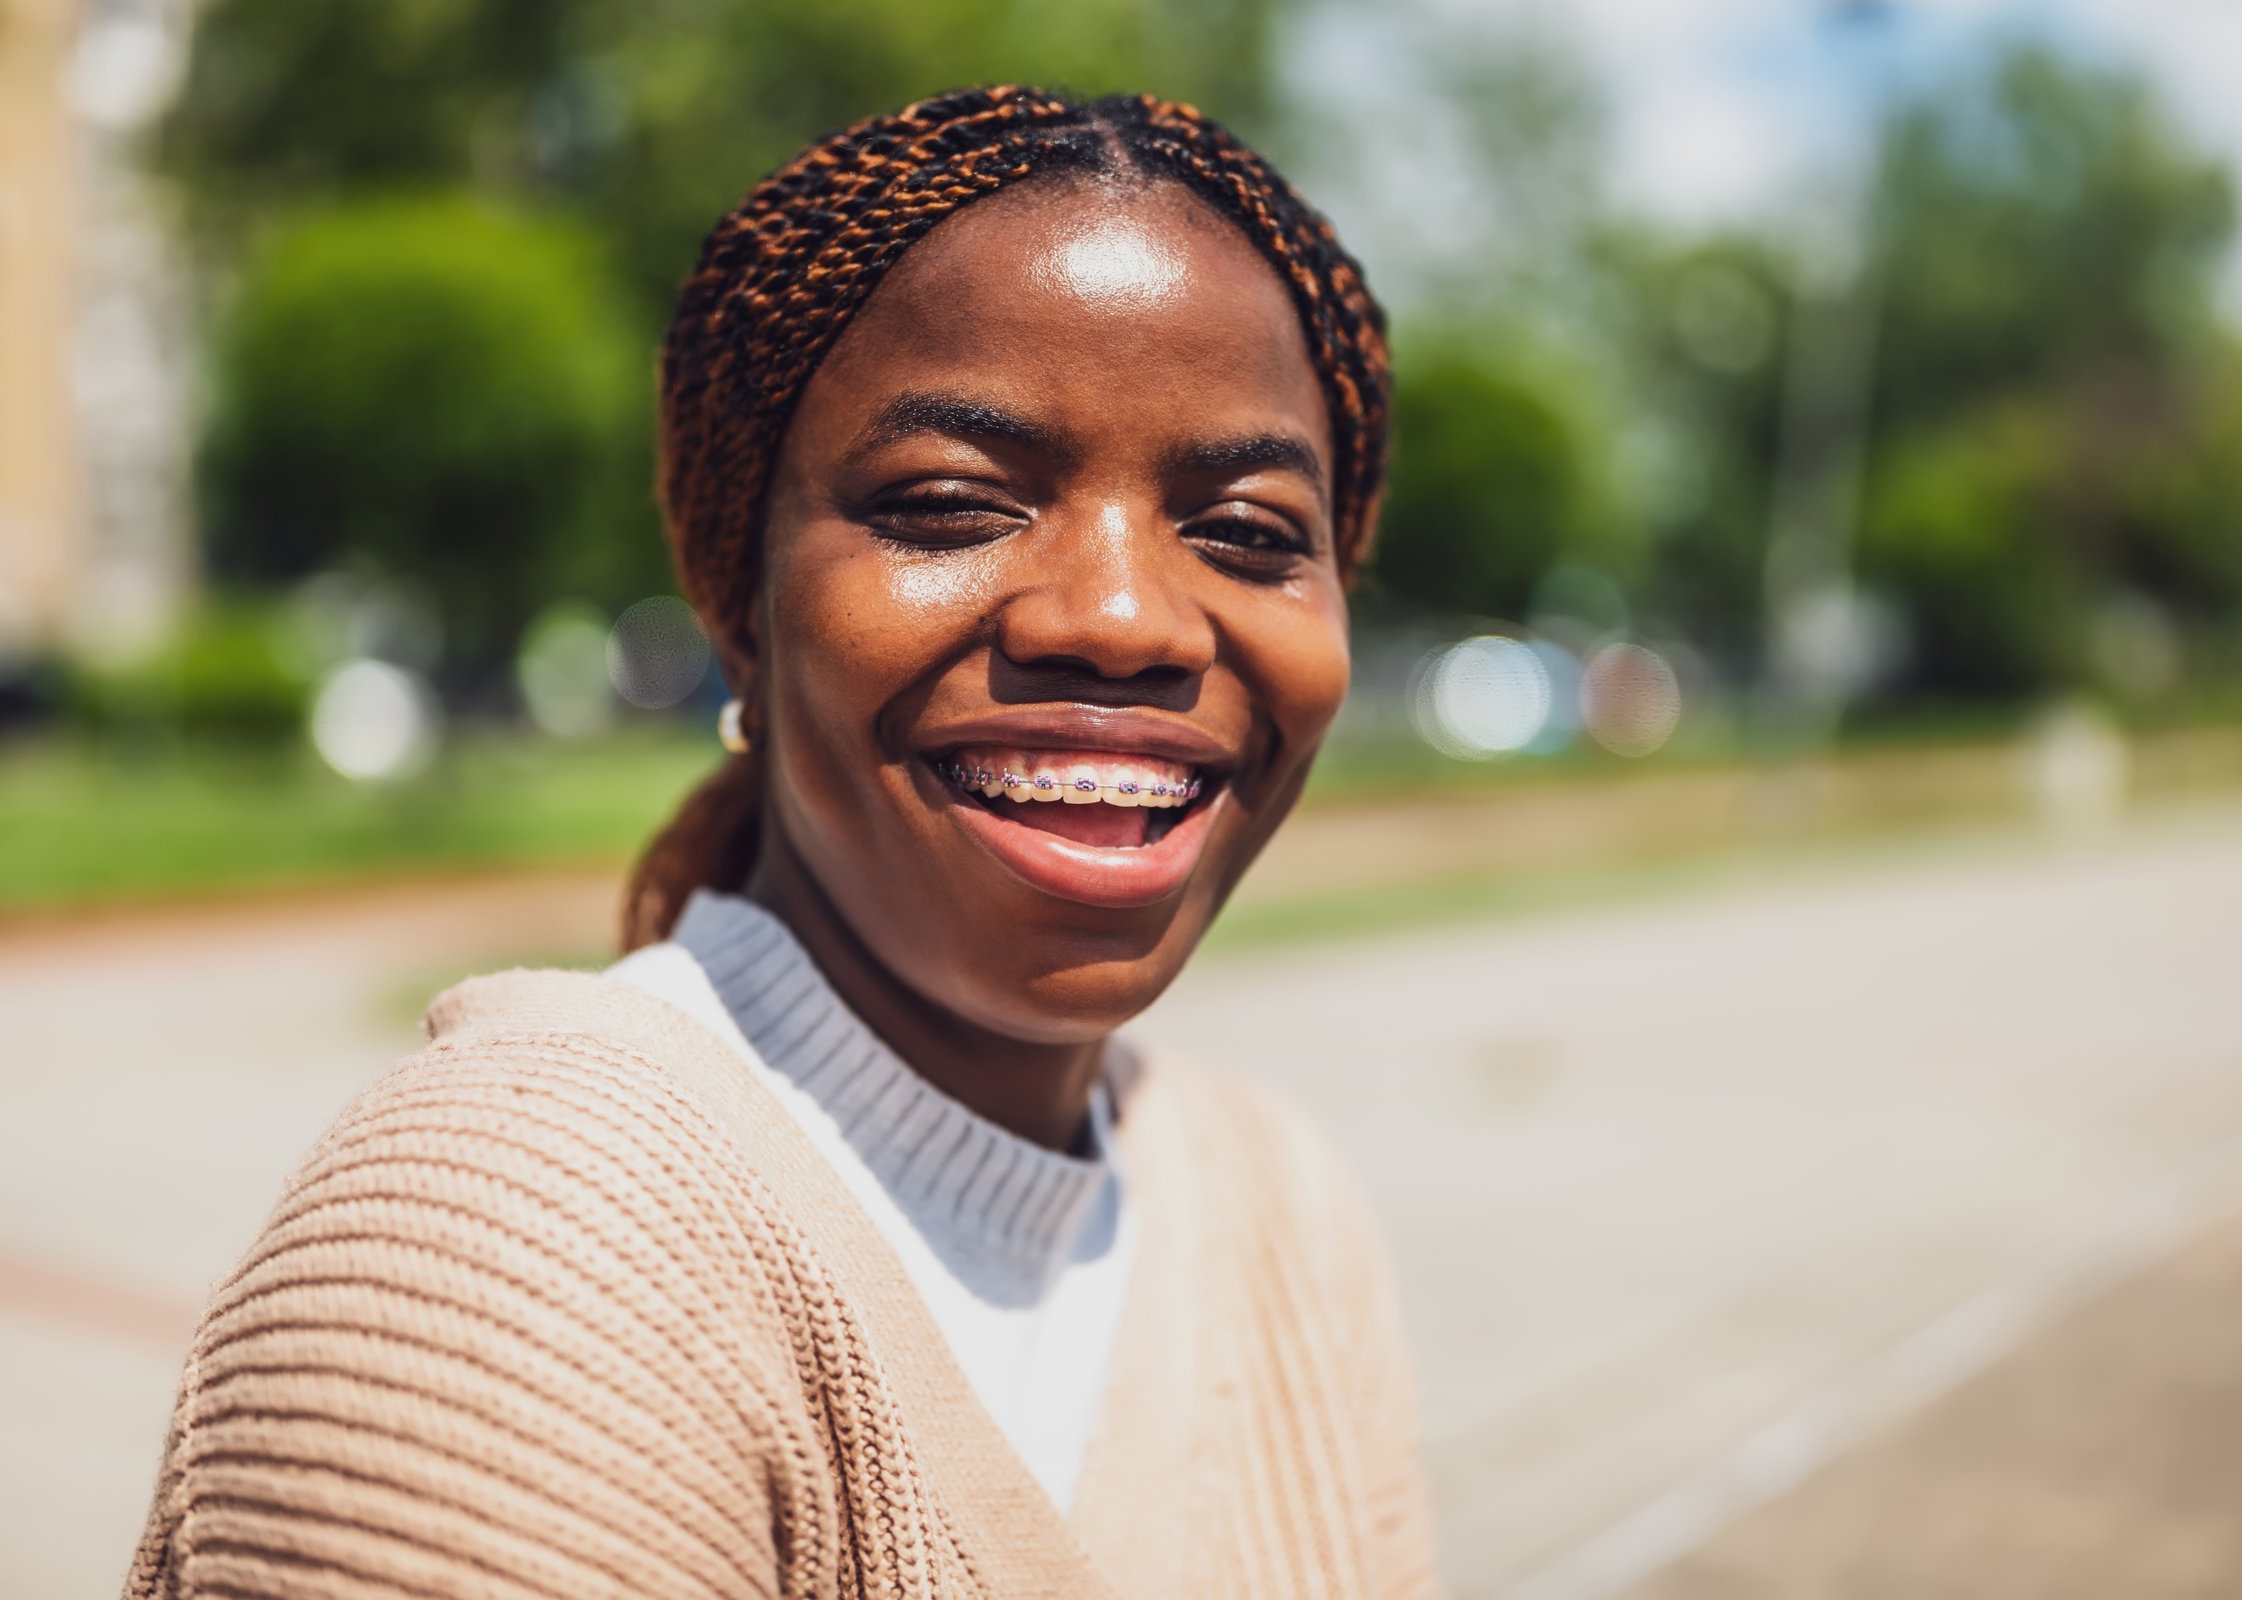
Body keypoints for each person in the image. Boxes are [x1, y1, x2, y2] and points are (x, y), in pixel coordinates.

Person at [125, 85, 1434, 1600]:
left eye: (1254, 534)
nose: (1126, 619)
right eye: (951, 503)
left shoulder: (1274, 1202)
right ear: (736, 609)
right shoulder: (519, 1240)